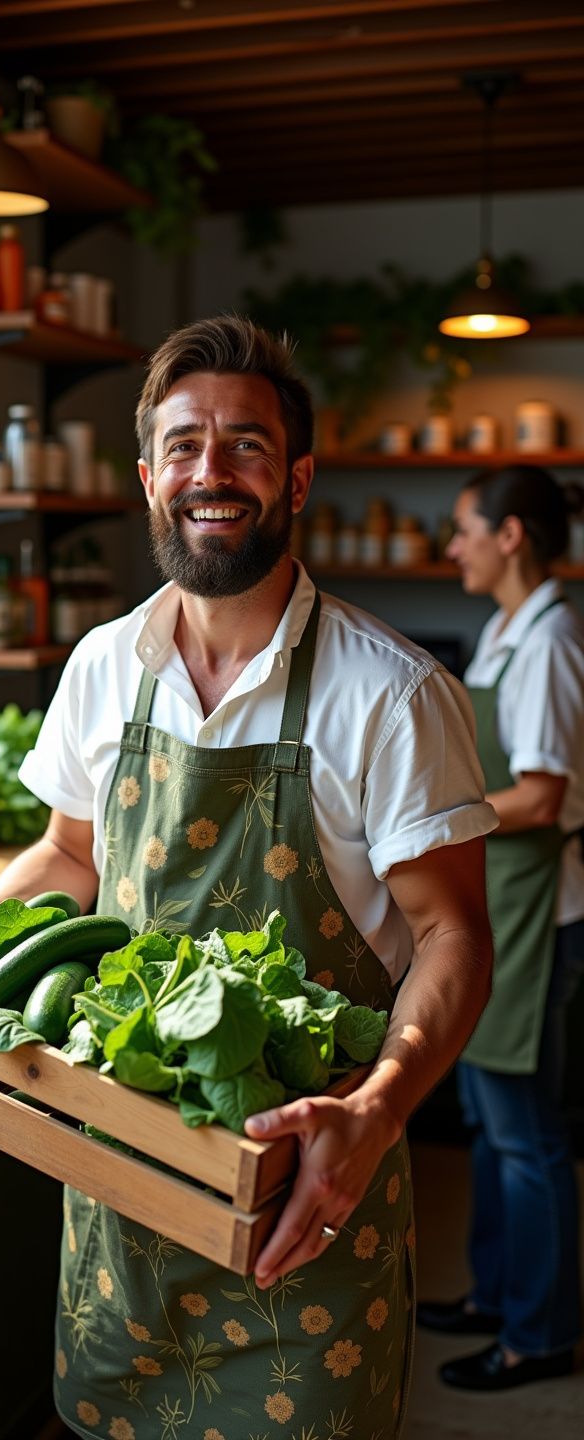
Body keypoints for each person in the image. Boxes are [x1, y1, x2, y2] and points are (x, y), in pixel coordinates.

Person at [0, 316, 497, 1439]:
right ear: (148, 478)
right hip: (117, 1198)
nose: (211, 471)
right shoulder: (106, 665)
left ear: (298, 477)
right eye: (183, 445)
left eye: (247, 446)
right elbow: (72, 854)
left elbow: (452, 937)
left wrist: (375, 1108)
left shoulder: (394, 696)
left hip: (310, 1207)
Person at [418, 464, 584, 1391]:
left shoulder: (554, 640)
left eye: (465, 529)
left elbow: (544, 795)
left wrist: (439, 807)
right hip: (497, 901)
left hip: (534, 912)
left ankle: (541, 1333)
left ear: (511, 535)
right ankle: (496, 1295)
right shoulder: (506, 634)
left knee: (528, 1133)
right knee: (489, 1120)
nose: (454, 547)